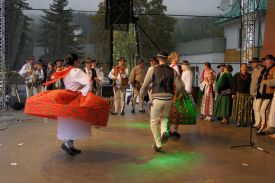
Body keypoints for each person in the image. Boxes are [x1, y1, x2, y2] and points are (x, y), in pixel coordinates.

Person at [24, 53, 110, 156]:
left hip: (67, 96)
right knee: (76, 121)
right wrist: (84, 93)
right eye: (78, 61)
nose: (79, 63)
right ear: (75, 61)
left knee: (71, 121)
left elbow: (56, 78)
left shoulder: (64, 71)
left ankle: (70, 145)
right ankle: (67, 144)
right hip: (75, 97)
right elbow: (87, 83)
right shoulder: (77, 71)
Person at [140, 51, 185, 152]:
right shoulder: (173, 71)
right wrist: (181, 93)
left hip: (157, 98)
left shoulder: (152, 70)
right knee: (164, 117)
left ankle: (158, 144)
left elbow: (145, 85)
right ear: (166, 58)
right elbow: (181, 86)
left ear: (158, 59)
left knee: (154, 121)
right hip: (169, 99)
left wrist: (142, 96)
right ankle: (164, 131)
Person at [257, 55, 275, 135]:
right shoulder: (266, 69)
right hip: (264, 93)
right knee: (265, 110)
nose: (265, 61)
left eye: (267, 60)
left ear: (272, 61)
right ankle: (266, 127)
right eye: (265, 60)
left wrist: (267, 82)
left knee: (263, 109)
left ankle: (264, 127)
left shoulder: (274, 69)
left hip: (270, 93)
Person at [249, 57, 264, 128]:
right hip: (253, 93)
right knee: (255, 108)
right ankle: (256, 123)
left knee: (258, 108)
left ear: (258, 62)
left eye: (254, 62)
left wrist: (257, 92)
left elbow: (261, 83)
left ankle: (259, 123)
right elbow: (252, 82)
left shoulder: (262, 70)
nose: (252, 64)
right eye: (252, 63)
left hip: (259, 93)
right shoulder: (253, 71)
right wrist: (251, 92)